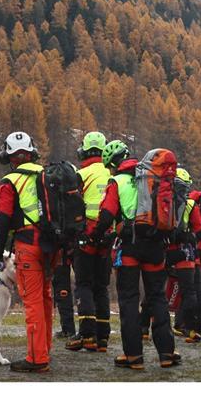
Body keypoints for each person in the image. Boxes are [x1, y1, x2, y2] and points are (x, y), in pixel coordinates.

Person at [91, 140, 181, 370]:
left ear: (112, 164)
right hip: (155, 244)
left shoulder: (117, 180)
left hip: (130, 246)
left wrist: (96, 235)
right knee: (157, 298)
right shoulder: (153, 177)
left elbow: (107, 215)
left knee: (129, 300)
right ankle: (167, 354)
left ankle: (133, 356)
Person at [0, 130, 54, 373]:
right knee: (46, 297)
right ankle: (44, 349)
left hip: (28, 245)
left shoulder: (10, 182)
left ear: (8, 156)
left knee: (33, 300)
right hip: (52, 245)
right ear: (32, 152)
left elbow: (2, 219)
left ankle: (37, 359)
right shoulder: (47, 174)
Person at [66, 131, 112, 353]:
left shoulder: (80, 174)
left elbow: (72, 206)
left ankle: (87, 335)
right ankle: (103, 338)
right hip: (107, 236)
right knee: (101, 286)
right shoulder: (111, 174)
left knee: (84, 284)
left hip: (85, 235)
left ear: (83, 150)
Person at [167, 167, 201, 343]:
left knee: (156, 288)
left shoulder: (163, 200)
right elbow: (200, 230)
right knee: (189, 291)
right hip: (185, 253)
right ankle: (190, 329)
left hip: (165, 250)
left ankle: (144, 327)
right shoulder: (191, 204)